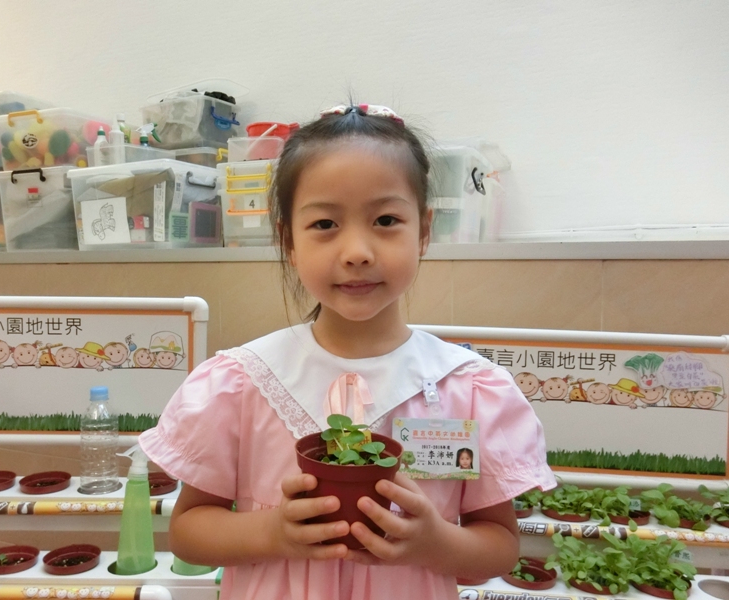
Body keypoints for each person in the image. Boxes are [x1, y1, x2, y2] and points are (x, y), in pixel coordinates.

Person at [139, 103, 556, 600]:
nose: (357, 251)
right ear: (288, 241)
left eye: (385, 219)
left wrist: (435, 542)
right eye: (324, 224)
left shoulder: (466, 388)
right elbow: (188, 532)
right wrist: (272, 532)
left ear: (423, 232)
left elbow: (499, 546)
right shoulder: (243, 381)